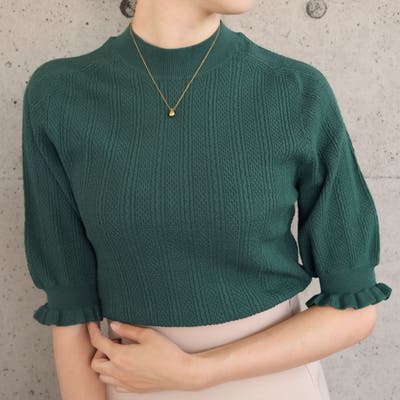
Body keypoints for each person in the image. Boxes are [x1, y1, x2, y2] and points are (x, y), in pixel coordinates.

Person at [21, 0, 392, 399]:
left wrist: (196, 371)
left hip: (273, 383)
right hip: (132, 384)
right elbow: (72, 311)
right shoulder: (60, 96)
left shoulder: (296, 90)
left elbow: (354, 313)